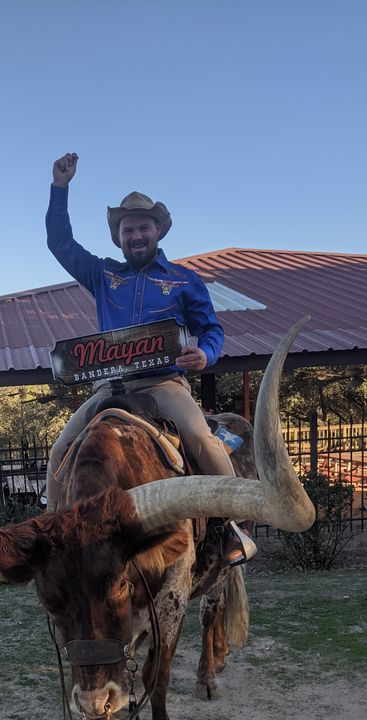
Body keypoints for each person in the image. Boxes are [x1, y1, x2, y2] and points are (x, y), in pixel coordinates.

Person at [44, 152, 254, 563]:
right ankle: (57, 535)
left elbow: (212, 330)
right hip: (110, 387)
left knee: (201, 439)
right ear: (118, 237)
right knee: (58, 453)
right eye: (128, 230)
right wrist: (59, 188)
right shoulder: (103, 275)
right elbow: (59, 243)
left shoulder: (184, 280)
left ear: (157, 230)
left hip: (164, 385)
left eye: (143, 227)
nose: (136, 235)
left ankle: (234, 525)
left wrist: (205, 355)